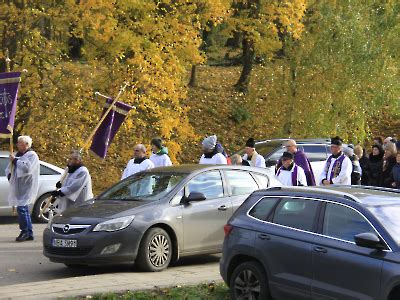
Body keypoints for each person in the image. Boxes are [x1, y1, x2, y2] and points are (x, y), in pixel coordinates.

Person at [6, 136, 40, 242]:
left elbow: (27, 168)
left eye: (20, 143)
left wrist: (15, 161)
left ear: (26, 144)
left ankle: (24, 231)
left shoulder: (32, 155)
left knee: (22, 209)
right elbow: (9, 168)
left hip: (27, 186)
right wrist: (9, 175)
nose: (17, 144)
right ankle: (29, 232)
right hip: (19, 186)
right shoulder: (18, 155)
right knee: (23, 209)